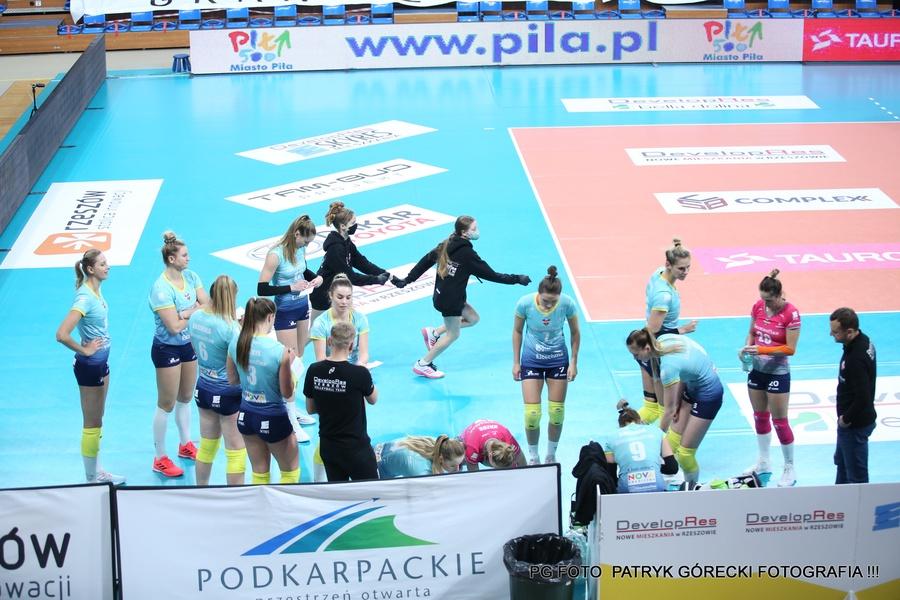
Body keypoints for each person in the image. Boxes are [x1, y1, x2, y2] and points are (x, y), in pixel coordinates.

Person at [394, 216, 531, 379]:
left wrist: (407, 280)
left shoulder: (448, 243)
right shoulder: (467, 254)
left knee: (473, 319)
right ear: (464, 232)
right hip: (450, 301)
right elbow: (492, 275)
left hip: (446, 295)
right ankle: (423, 364)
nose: (477, 231)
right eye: (474, 229)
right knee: (453, 335)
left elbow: (425, 261)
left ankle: (434, 332)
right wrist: (517, 279)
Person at [55, 250, 125, 485]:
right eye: (103, 264)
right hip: (90, 366)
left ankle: (97, 470)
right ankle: (91, 479)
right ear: (91, 269)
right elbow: (62, 334)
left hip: (101, 363)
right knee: (91, 424)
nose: (108, 267)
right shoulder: (85, 297)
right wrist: (84, 350)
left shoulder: (95, 290)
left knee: (98, 419)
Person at [626, 328, 723, 487]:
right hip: (691, 385)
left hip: (709, 393)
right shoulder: (662, 341)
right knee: (670, 446)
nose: (634, 358)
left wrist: (655, 439)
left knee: (685, 455)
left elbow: (668, 411)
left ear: (647, 348)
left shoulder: (668, 368)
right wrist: (677, 403)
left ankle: (692, 490)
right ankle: (679, 484)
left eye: (636, 354)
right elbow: (685, 370)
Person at [257, 214, 324, 442]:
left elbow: (302, 270)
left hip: (302, 307)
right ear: (296, 234)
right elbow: (262, 288)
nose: (307, 245)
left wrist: (316, 278)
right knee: (289, 362)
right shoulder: (275, 255)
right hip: (284, 311)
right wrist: (290, 288)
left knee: (299, 358)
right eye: (305, 241)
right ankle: (290, 418)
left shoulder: (300, 250)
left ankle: (291, 408)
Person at [148, 231, 210, 478]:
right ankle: (160, 458)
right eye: (184, 255)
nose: (189, 258)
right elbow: (173, 327)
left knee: (185, 397)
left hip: (188, 345)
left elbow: (207, 304)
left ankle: (185, 445)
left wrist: (184, 313)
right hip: (167, 349)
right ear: (172, 259)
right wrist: (190, 312)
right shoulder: (161, 289)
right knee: (166, 403)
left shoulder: (191, 277)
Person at [738, 269, 801, 487]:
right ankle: (764, 462)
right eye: (763, 299)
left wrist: (762, 350)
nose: (766, 304)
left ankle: (789, 467)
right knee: (760, 417)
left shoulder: (791, 314)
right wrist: (747, 348)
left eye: (769, 300)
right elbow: (752, 333)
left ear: (779, 295)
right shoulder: (758, 306)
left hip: (778, 372)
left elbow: (790, 349)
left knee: (780, 422)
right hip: (757, 370)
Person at [227, 298, 300, 484]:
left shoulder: (237, 342)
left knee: (259, 474)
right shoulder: (279, 351)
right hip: (273, 417)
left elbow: (233, 380)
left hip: (246, 416)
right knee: (290, 474)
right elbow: (287, 393)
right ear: (270, 317)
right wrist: (290, 367)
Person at [512, 266, 580, 465]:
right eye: (545, 301)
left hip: (557, 360)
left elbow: (575, 332)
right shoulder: (524, 304)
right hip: (531, 360)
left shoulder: (567, 303)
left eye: (553, 301)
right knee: (532, 415)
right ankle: (534, 457)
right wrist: (516, 362)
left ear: (559, 296)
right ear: (538, 294)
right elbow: (517, 331)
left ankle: (551, 455)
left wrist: (573, 362)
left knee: (557, 413)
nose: (549, 305)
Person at [187, 275, 246, 485]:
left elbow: (194, 347)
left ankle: (201, 491)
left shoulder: (195, 317)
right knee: (236, 451)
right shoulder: (230, 328)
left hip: (203, 386)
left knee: (206, 447)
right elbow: (239, 365)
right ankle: (235, 498)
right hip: (228, 393)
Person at [304, 321, 378, 482]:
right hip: (357, 449)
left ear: (329, 341)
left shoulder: (314, 370)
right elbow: (373, 399)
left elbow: (310, 409)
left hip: (329, 447)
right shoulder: (360, 373)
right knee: (371, 492)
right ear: (351, 346)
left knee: (338, 493)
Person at [637, 238, 697, 427]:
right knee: (665, 409)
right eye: (681, 268)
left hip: (650, 345)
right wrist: (683, 329)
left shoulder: (658, 273)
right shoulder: (664, 296)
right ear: (668, 265)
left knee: (652, 407)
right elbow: (654, 329)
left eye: (688, 267)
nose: (685, 272)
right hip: (657, 348)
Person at [309, 201, 390, 325]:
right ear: (343, 226)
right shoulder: (336, 249)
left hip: (338, 295)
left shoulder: (346, 241)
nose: (356, 225)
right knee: (317, 331)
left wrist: (386, 274)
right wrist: (376, 280)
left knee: (345, 329)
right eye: (353, 223)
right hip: (323, 297)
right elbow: (351, 277)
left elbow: (362, 263)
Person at [829, 307, 877, 484]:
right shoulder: (863, 340)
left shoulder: (856, 359)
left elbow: (863, 398)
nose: (831, 334)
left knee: (856, 478)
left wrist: (845, 419)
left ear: (849, 332)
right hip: (850, 425)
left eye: (835, 332)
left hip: (854, 426)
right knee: (842, 465)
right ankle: (839, 500)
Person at [605, 401, 678, 493]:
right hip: (656, 488)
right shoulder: (657, 432)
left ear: (620, 426)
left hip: (627, 490)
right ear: (640, 421)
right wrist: (651, 467)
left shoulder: (611, 438)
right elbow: (672, 468)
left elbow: (610, 476)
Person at [310, 274, 370, 367]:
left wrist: (359, 367)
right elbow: (321, 360)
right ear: (331, 295)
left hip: (354, 367)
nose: (344, 302)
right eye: (340, 297)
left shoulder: (360, 319)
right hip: (331, 369)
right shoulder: (320, 323)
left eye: (348, 297)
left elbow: (364, 354)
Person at [376, 435, 465, 478]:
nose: (457, 469)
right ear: (441, 459)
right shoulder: (421, 471)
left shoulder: (439, 443)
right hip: (375, 470)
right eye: (453, 465)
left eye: (459, 464)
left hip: (379, 448)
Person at [459, 419, 527, 471]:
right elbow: (474, 474)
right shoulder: (472, 447)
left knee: (510, 463)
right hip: (468, 439)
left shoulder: (508, 438)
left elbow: (521, 459)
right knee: (458, 459)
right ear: (490, 456)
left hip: (490, 433)